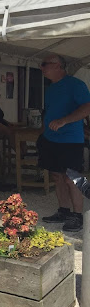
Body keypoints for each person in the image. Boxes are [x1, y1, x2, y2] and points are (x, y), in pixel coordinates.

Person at [38, 53, 90, 232]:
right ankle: (64, 211)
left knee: (72, 178)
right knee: (57, 176)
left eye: (45, 64)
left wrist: (64, 121)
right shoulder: (51, 88)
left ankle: (78, 215)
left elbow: (87, 107)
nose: (41, 67)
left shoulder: (76, 85)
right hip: (51, 139)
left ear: (59, 66)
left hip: (70, 140)